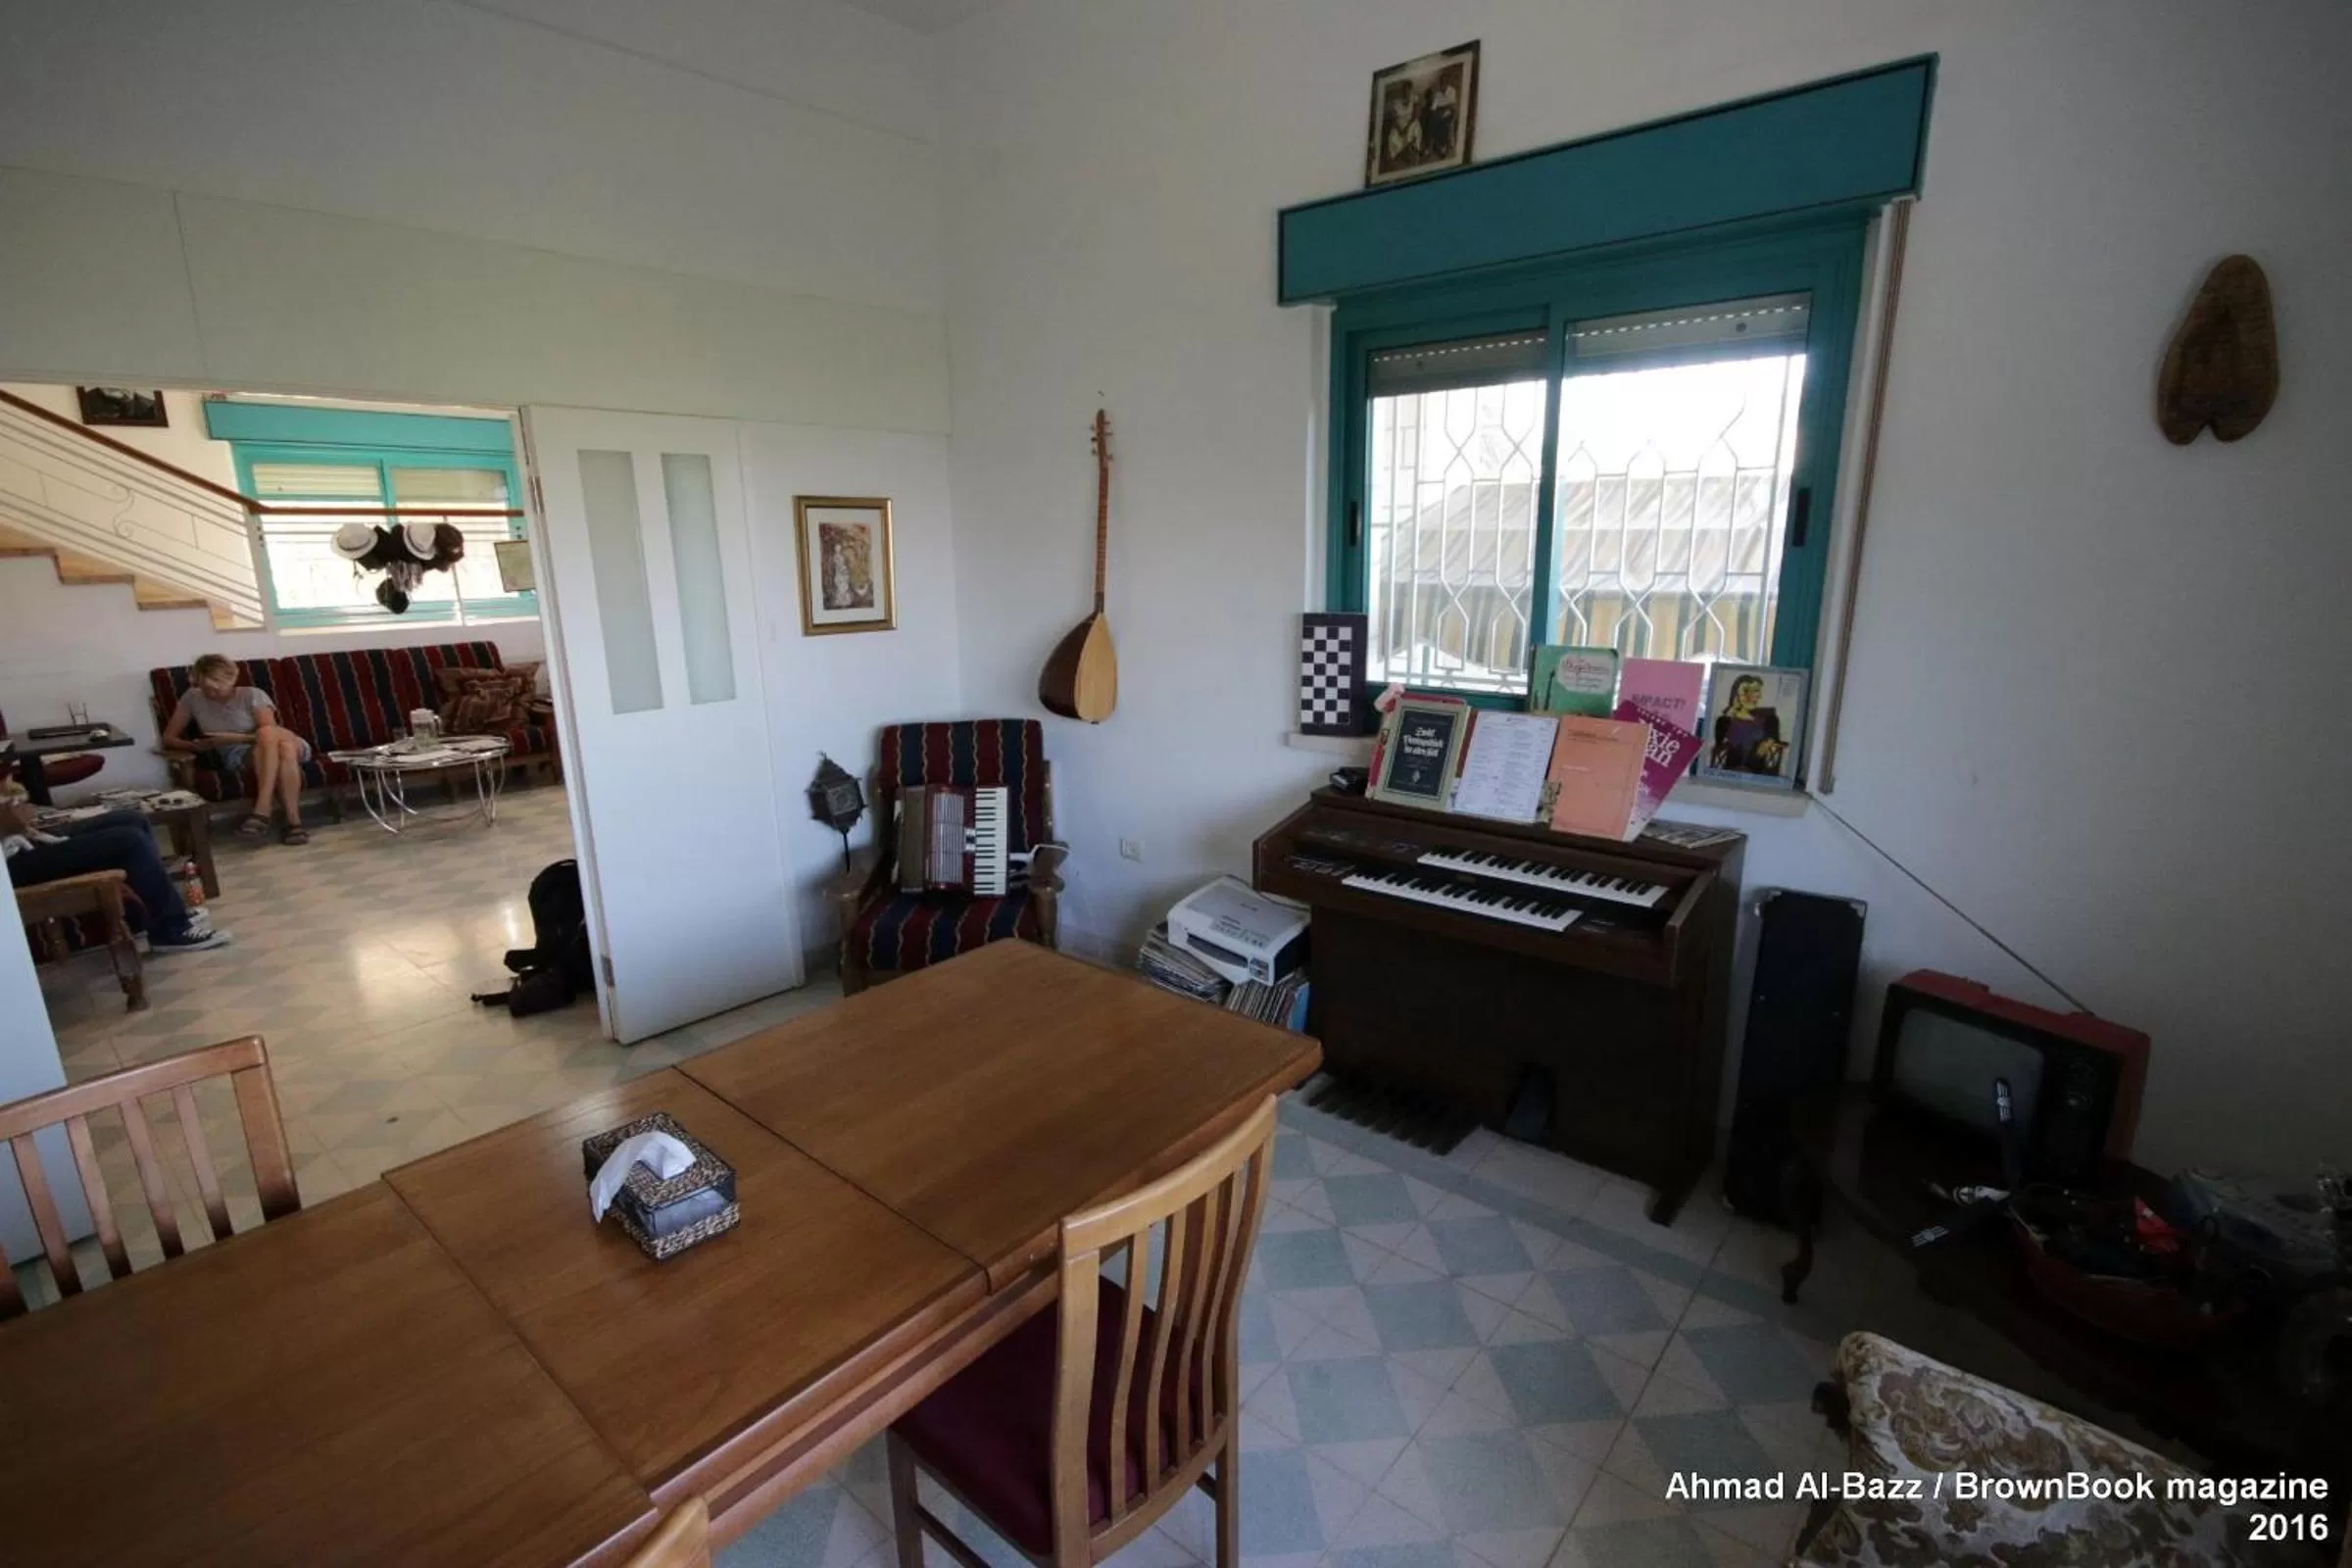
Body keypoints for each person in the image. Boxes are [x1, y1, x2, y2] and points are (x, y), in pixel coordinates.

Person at [4, 804, 232, 954]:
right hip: (11, 865)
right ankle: (170, 929)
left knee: (132, 819)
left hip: (20, 841)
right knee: (129, 841)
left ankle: (154, 912)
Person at [161, 654, 316, 844]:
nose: (212, 694)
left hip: (283, 740)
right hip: (243, 754)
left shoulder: (252, 694)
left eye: (218, 689)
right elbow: (169, 738)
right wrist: (193, 746)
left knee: (268, 736)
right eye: (206, 688)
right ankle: (294, 824)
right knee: (284, 751)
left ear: (232, 679)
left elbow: (270, 733)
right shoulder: (192, 697)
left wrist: (229, 738)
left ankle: (263, 809)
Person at [1709, 673, 1788, 775]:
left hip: (1758, 772)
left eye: (1757, 691)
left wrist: (1769, 742)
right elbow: (1719, 742)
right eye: (1752, 690)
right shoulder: (1725, 720)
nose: (1758, 695)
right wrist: (1731, 712)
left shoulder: (1770, 719)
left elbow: (1775, 740)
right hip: (1731, 771)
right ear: (1737, 693)